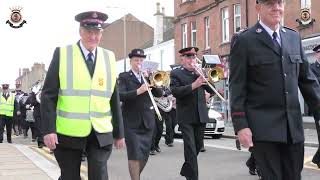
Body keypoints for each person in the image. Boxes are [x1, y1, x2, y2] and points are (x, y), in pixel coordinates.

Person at [229, 0, 320, 179]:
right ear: (258, 8)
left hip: (293, 129)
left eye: (279, 3)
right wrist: (241, 126)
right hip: (263, 129)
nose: (276, 8)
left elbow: (308, 81)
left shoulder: (293, 37)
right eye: (270, 3)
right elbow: (237, 86)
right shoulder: (244, 41)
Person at [41, 11, 125, 180]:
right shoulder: (63, 54)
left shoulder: (109, 57)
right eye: (88, 32)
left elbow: (113, 97)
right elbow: (48, 95)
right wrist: (49, 130)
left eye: (97, 32)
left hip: (100, 131)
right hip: (68, 132)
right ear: (80, 31)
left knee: (99, 174)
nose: (93, 37)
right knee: (70, 176)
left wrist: (119, 132)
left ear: (101, 33)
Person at [118, 48, 163, 180]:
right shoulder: (124, 77)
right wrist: (138, 91)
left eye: (141, 61)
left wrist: (153, 80)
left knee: (144, 155)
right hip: (131, 122)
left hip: (148, 120)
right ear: (131, 61)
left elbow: (159, 94)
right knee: (134, 154)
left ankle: (136, 176)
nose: (139, 63)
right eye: (136, 60)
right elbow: (121, 96)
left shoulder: (148, 77)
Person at [170, 47, 214, 180]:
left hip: (201, 115)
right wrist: (194, 85)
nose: (191, 60)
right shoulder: (176, 73)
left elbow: (212, 90)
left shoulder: (199, 73)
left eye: (193, 57)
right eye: (188, 57)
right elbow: (175, 91)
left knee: (198, 145)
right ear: (182, 59)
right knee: (189, 146)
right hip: (186, 116)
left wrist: (205, 78)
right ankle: (193, 177)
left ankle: (186, 169)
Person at [309, 44, 320, 168]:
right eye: (319, 52)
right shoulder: (312, 68)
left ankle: (317, 158)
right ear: (316, 54)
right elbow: (313, 87)